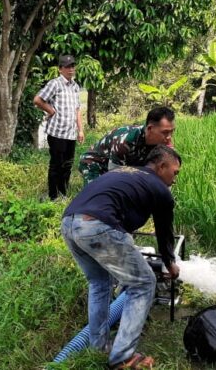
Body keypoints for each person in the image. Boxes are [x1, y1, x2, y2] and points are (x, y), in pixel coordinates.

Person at [61, 145, 182, 369]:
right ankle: (123, 357)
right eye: (175, 172)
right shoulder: (160, 189)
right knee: (144, 283)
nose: (174, 179)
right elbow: (165, 231)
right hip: (97, 226)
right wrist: (170, 263)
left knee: (99, 283)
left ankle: (99, 347)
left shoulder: (125, 172)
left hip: (69, 224)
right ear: (162, 165)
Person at [78, 106, 175, 185]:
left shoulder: (163, 144)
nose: (169, 137)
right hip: (95, 163)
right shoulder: (125, 141)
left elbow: (162, 174)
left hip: (125, 165)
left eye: (171, 132)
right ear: (150, 129)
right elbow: (114, 178)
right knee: (99, 195)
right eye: (165, 132)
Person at [33, 55, 84, 200]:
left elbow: (77, 110)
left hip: (70, 133)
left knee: (67, 165)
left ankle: (63, 194)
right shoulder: (55, 84)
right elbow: (38, 100)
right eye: (67, 67)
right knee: (56, 165)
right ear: (60, 69)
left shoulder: (75, 86)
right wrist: (51, 110)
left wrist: (80, 130)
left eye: (73, 66)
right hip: (57, 133)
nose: (71, 69)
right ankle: (53, 196)